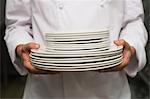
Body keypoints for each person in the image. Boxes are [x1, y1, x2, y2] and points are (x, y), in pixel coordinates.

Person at [4, 0, 148, 99]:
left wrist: (131, 44)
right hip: (47, 90)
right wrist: (21, 45)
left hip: (107, 89)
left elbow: (134, 22)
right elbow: (17, 24)